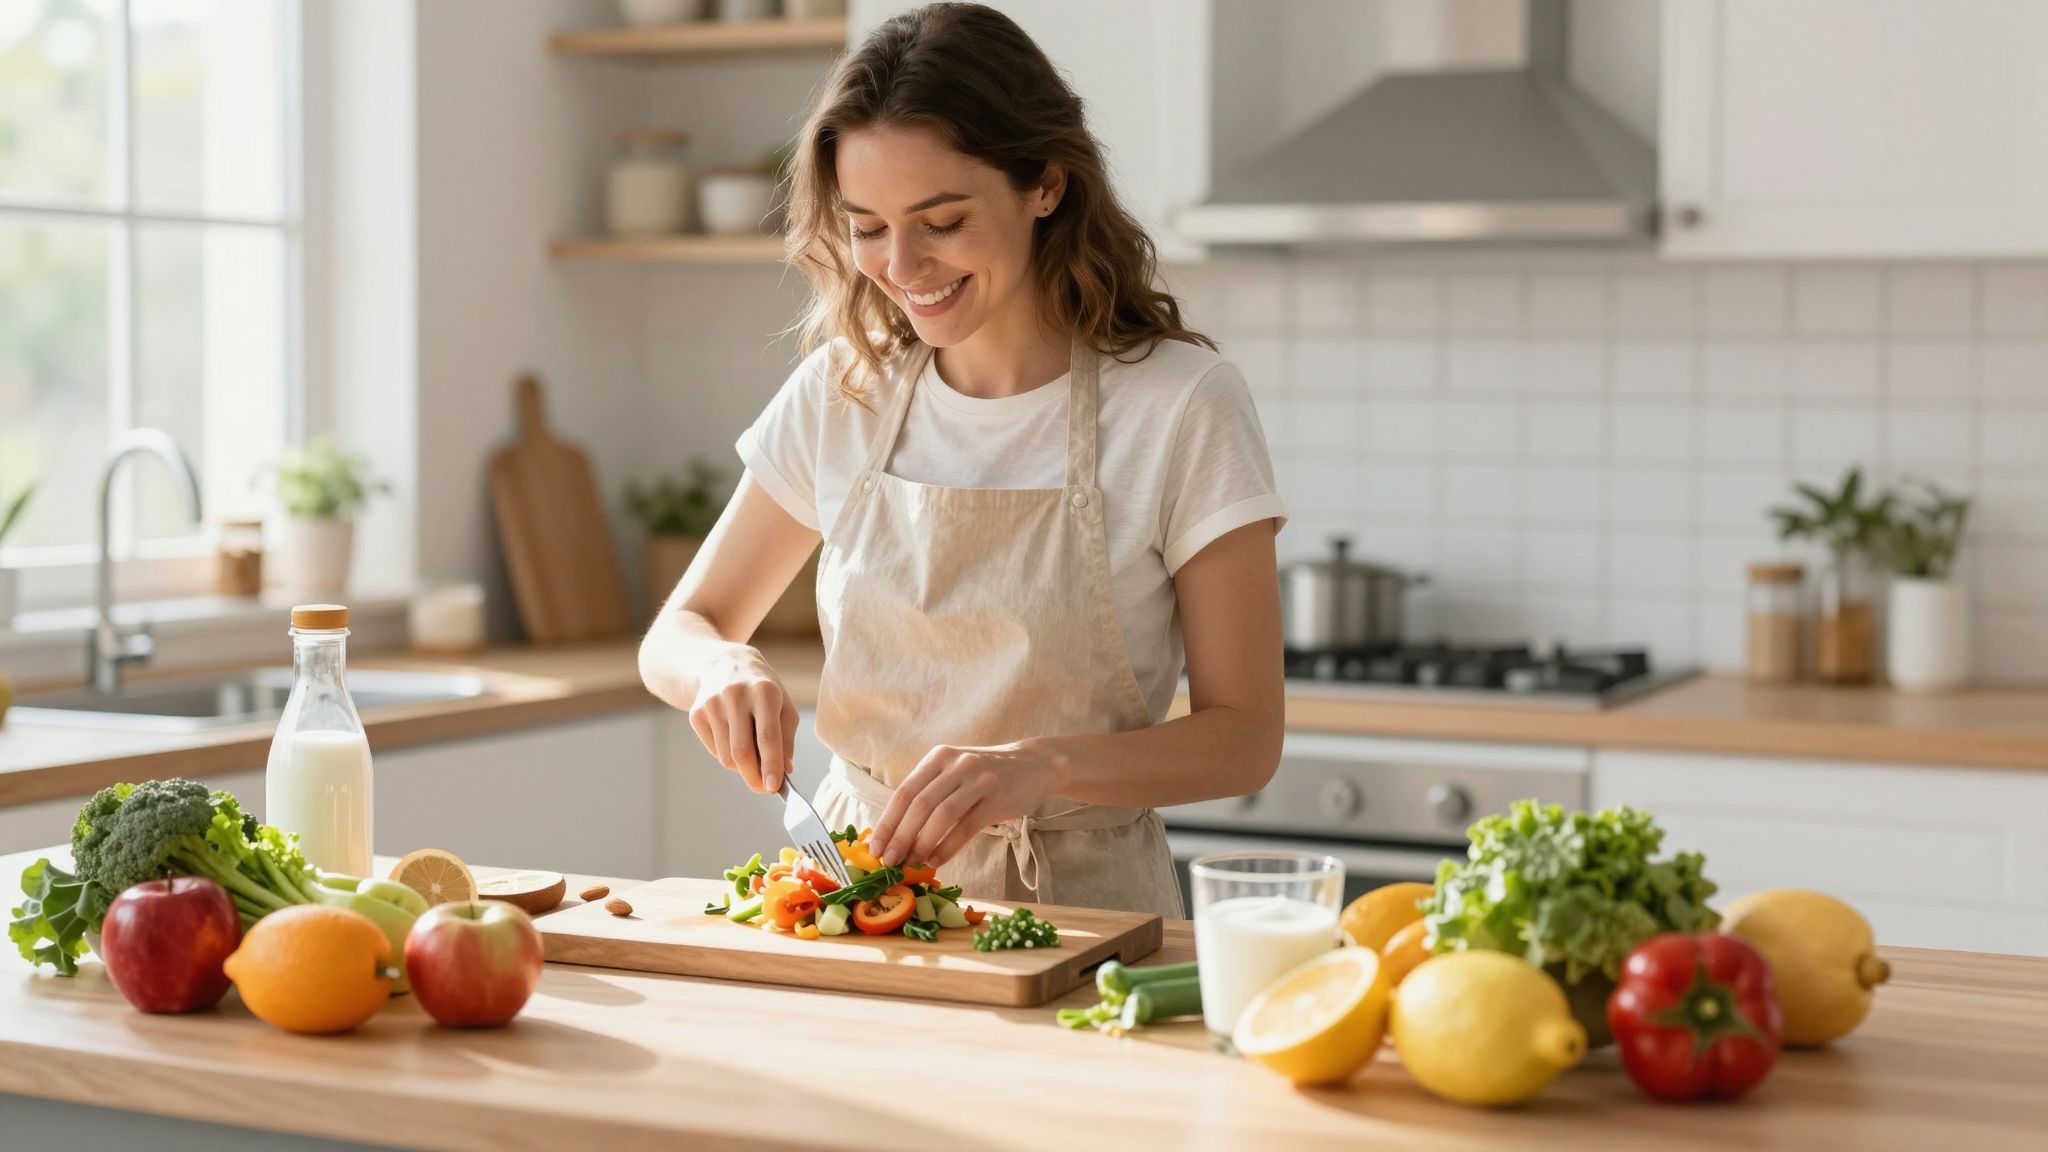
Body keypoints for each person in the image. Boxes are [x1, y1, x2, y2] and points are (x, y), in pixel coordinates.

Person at [638, 2, 1285, 917]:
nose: (902, 266)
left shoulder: (1180, 405)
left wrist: (1041, 767)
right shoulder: (844, 391)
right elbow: (679, 630)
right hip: (851, 898)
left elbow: (1245, 739)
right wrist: (719, 670)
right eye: (866, 225)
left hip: (1084, 917)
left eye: (941, 220)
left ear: (1047, 186)